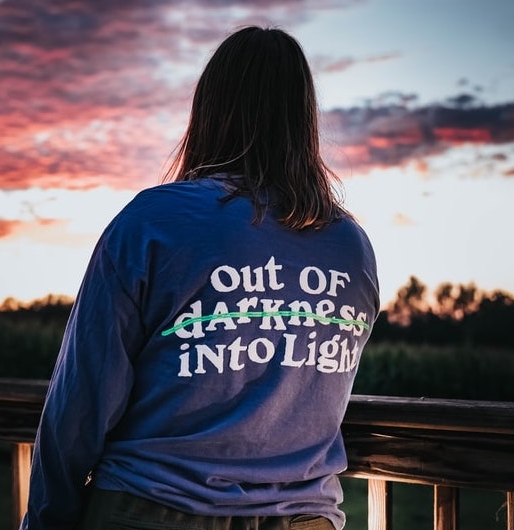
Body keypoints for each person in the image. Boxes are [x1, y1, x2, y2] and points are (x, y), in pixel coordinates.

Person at [20, 26, 379, 530]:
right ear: (304, 118)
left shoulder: (154, 222)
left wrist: (47, 518)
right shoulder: (351, 246)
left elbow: (82, 398)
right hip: (305, 517)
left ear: (209, 111)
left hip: (155, 509)